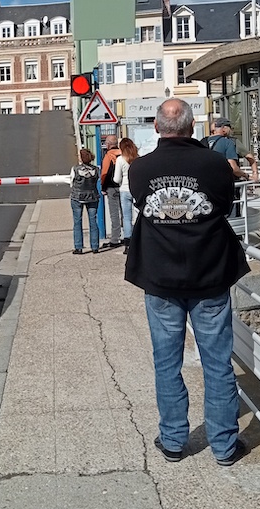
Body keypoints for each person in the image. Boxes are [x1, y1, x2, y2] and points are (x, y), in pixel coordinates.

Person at [124, 98, 250, 466]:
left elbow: (144, 206)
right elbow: (224, 207)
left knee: (166, 363)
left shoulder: (140, 168)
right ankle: (224, 446)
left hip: (161, 277)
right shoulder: (214, 164)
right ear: (192, 127)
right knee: (218, 363)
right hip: (209, 273)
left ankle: (174, 441)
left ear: (157, 127)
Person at [206, 117, 259, 182]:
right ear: (224, 128)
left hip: (207, 182)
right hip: (228, 182)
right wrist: (253, 174)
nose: (231, 130)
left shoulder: (203, 141)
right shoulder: (230, 142)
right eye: (229, 127)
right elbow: (249, 158)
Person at [70, 147, 100, 254]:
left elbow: (71, 182)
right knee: (93, 221)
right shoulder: (96, 169)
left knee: (77, 221)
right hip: (92, 196)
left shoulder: (75, 169)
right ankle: (95, 246)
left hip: (77, 197)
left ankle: (78, 247)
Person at [112, 137, 139, 251]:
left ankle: (128, 243)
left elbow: (117, 179)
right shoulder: (138, 158)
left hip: (124, 189)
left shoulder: (120, 159)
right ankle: (138, 240)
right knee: (137, 215)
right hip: (136, 189)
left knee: (127, 217)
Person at [99, 135, 123, 248]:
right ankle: (127, 236)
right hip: (123, 187)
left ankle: (115, 239)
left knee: (114, 214)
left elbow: (104, 173)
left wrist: (103, 187)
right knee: (125, 214)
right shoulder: (123, 154)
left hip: (111, 188)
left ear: (108, 144)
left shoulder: (108, 156)